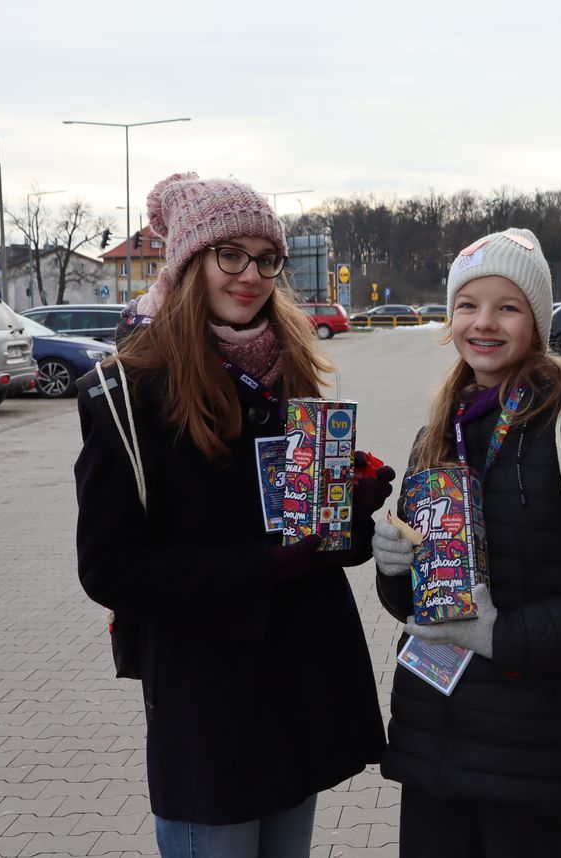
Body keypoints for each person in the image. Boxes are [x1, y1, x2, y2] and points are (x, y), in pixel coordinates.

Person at [74, 172, 391, 858]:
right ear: (190, 263)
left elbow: (312, 537)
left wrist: (348, 514)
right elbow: (110, 567)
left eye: (266, 258)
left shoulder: (291, 369)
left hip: (295, 691)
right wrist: (266, 567)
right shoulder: (128, 389)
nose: (251, 275)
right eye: (231, 254)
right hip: (207, 706)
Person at [371, 227, 561, 858]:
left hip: (536, 758)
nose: (484, 323)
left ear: (534, 322)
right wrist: (394, 568)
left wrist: (501, 635)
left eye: (507, 307)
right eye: (468, 306)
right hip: (436, 748)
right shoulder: (438, 432)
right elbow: (418, 600)